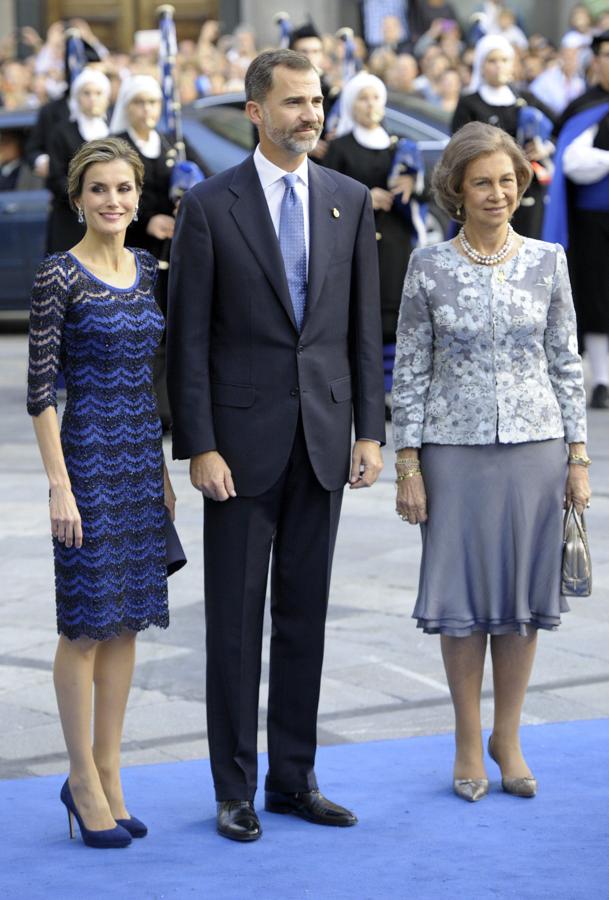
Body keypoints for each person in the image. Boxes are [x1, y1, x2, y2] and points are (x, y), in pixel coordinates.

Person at [166, 48, 385, 842]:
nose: (310, 114)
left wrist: (369, 429)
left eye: (316, 100)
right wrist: (199, 444)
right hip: (239, 448)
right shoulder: (209, 205)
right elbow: (187, 340)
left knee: (305, 619)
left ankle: (294, 780)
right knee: (232, 623)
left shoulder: (349, 199)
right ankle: (235, 790)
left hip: (324, 441)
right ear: (255, 111)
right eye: (293, 102)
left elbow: (364, 328)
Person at [392, 122, 590, 803]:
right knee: (462, 602)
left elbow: (566, 364)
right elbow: (410, 369)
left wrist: (578, 458)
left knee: (520, 604)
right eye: (482, 181)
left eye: (506, 179)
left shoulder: (548, 261)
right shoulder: (427, 266)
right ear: (456, 189)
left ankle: (508, 738)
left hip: (535, 448)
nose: (497, 192)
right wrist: (407, 464)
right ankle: (465, 739)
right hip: (453, 451)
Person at [27, 137, 175, 847]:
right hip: (85, 462)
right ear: (77, 199)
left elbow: (152, 379)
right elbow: (40, 394)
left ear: (137, 196)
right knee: (84, 624)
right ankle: (80, 776)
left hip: (140, 463)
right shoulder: (59, 275)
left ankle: (112, 773)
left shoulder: (146, 268)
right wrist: (60, 487)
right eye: (98, 191)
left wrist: (165, 476)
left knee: (126, 620)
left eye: (123, 189)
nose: (112, 201)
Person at [324, 71, 425, 413]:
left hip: (395, 241)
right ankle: (364, 389)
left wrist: (412, 186)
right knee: (362, 314)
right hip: (356, 240)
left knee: (394, 314)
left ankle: (391, 387)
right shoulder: (340, 148)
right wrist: (364, 196)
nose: (371, 105)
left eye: (376, 98)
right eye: (364, 98)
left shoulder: (398, 145)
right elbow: (329, 192)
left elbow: (422, 192)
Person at [543, 29, 609, 410]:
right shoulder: (583, 107)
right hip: (592, 221)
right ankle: (600, 380)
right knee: (597, 297)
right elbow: (571, 161)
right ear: (595, 62)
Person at [452, 35, 556, 238]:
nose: (499, 66)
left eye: (504, 60)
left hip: (527, 189)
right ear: (481, 66)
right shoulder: (469, 103)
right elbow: (458, 146)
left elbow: (559, 129)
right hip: (486, 189)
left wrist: (544, 148)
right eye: (492, 60)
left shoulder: (527, 99)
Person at [46, 68, 111, 252]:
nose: (92, 99)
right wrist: (84, 197)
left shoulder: (114, 133)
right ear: (77, 97)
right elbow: (55, 176)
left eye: (98, 93)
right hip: (71, 219)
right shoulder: (61, 132)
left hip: (109, 216)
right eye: (86, 93)